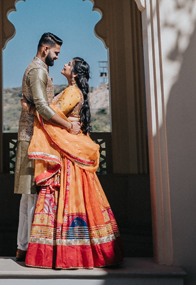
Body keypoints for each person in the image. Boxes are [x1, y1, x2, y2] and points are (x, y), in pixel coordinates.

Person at [25, 57, 123, 269]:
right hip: (70, 149)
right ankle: (82, 251)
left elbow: (52, 115)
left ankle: (68, 254)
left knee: (67, 198)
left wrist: (31, 109)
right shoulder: (72, 91)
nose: (65, 65)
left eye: (69, 64)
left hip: (68, 156)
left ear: (76, 74)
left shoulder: (72, 92)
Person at [14, 33, 80, 262]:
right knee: (31, 196)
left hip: (39, 138)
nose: (57, 57)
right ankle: (27, 247)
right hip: (32, 139)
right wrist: (67, 126)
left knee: (32, 197)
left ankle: (26, 247)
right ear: (45, 48)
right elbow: (42, 106)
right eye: (56, 52)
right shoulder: (38, 70)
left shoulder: (42, 70)